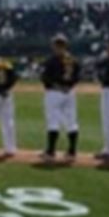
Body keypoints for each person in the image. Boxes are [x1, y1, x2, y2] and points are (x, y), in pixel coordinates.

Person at [40, 34, 80, 162]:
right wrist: (69, 86)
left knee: (53, 121)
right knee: (71, 120)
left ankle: (51, 152)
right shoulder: (73, 60)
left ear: (55, 46)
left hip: (55, 92)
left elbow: (45, 77)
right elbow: (77, 76)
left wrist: (54, 85)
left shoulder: (52, 60)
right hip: (69, 92)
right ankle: (72, 151)